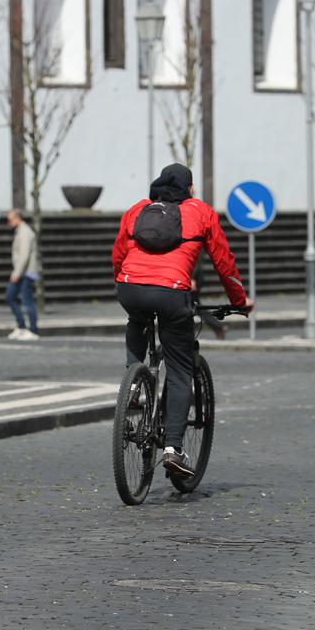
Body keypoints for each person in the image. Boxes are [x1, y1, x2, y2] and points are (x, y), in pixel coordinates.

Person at [112, 163, 252, 477]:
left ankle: (133, 384)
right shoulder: (201, 212)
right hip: (173, 292)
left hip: (129, 286)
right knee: (179, 368)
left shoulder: (137, 210)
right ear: (189, 189)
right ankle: (173, 449)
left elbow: (119, 253)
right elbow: (223, 261)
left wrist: (122, 282)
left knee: (137, 319)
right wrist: (239, 301)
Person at [5, 209, 40, 341]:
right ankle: (21, 326)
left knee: (27, 300)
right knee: (10, 297)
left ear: (17, 218)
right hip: (22, 272)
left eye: (10, 219)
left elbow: (24, 255)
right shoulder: (20, 231)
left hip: (26, 272)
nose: (9, 223)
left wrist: (16, 273)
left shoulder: (25, 232)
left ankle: (33, 330)